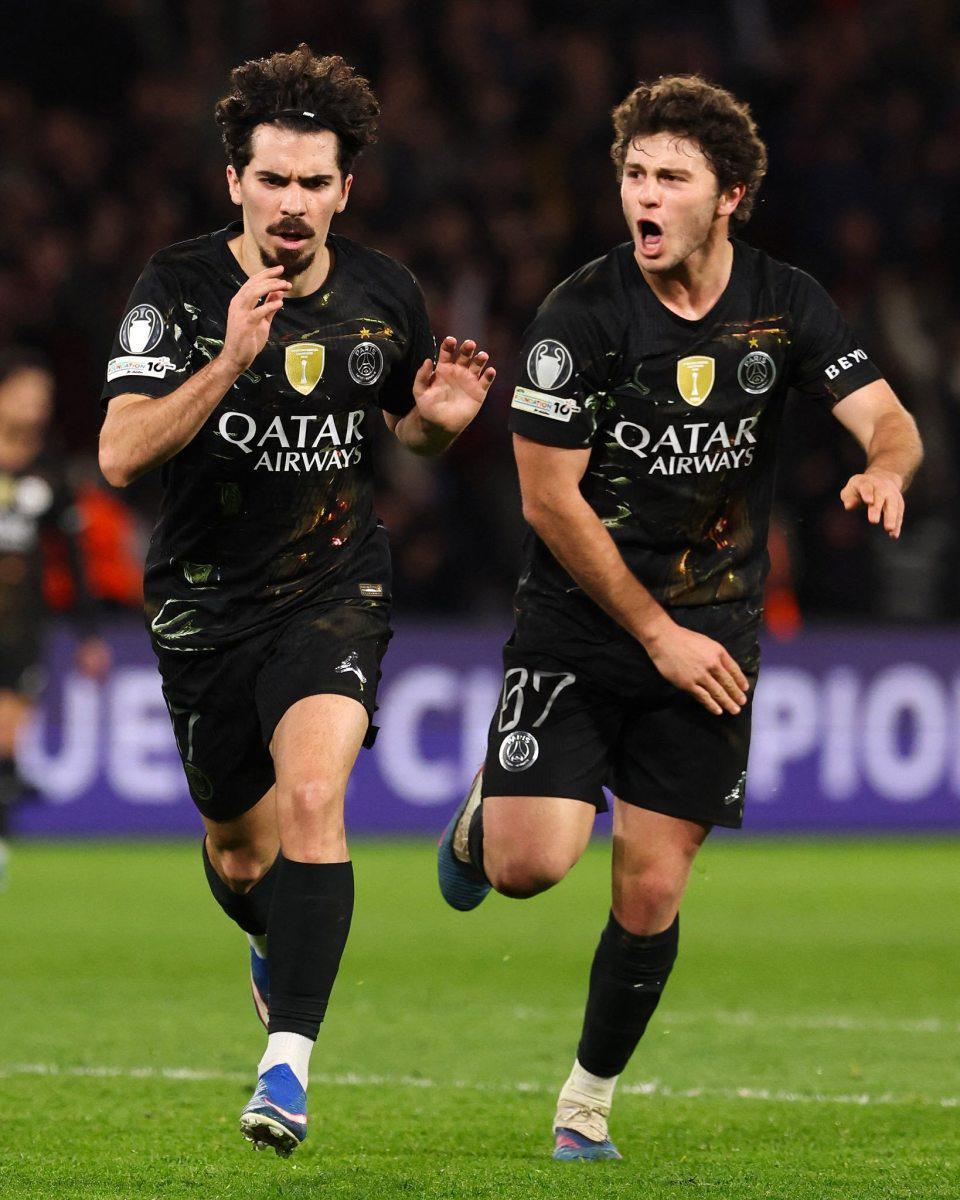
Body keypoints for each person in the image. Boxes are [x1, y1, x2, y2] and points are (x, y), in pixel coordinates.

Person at [437, 74, 923, 1161]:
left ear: (729, 196)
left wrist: (886, 468)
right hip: (581, 626)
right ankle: (485, 814)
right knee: (527, 869)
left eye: (671, 177)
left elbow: (888, 417)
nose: (644, 196)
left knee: (652, 885)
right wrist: (653, 634)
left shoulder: (784, 303)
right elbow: (547, 502)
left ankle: (586, 1105)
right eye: (634, 174)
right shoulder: (579, 317)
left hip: (715, 628)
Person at [98, 46, 495, 1158]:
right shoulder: (176, 291)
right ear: (235, 180)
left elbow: (403, 426)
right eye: (272, 179)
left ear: (344, 190)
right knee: (241, 853)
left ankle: (286, 1070)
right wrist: (228, 359)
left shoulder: (384, 294)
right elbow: (121, 453)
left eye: (315, 182)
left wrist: (437, 427)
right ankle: (269, 941)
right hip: (204, 609)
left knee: (316, 796)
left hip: (333, 587)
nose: (292, 202)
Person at [0, 350, 110, 882]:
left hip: (22, 623)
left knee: (7, 741)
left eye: (41, 397)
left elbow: (71, 555)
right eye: (25, 394)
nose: (35, 406)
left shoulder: (49, 468)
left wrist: (88, 632)